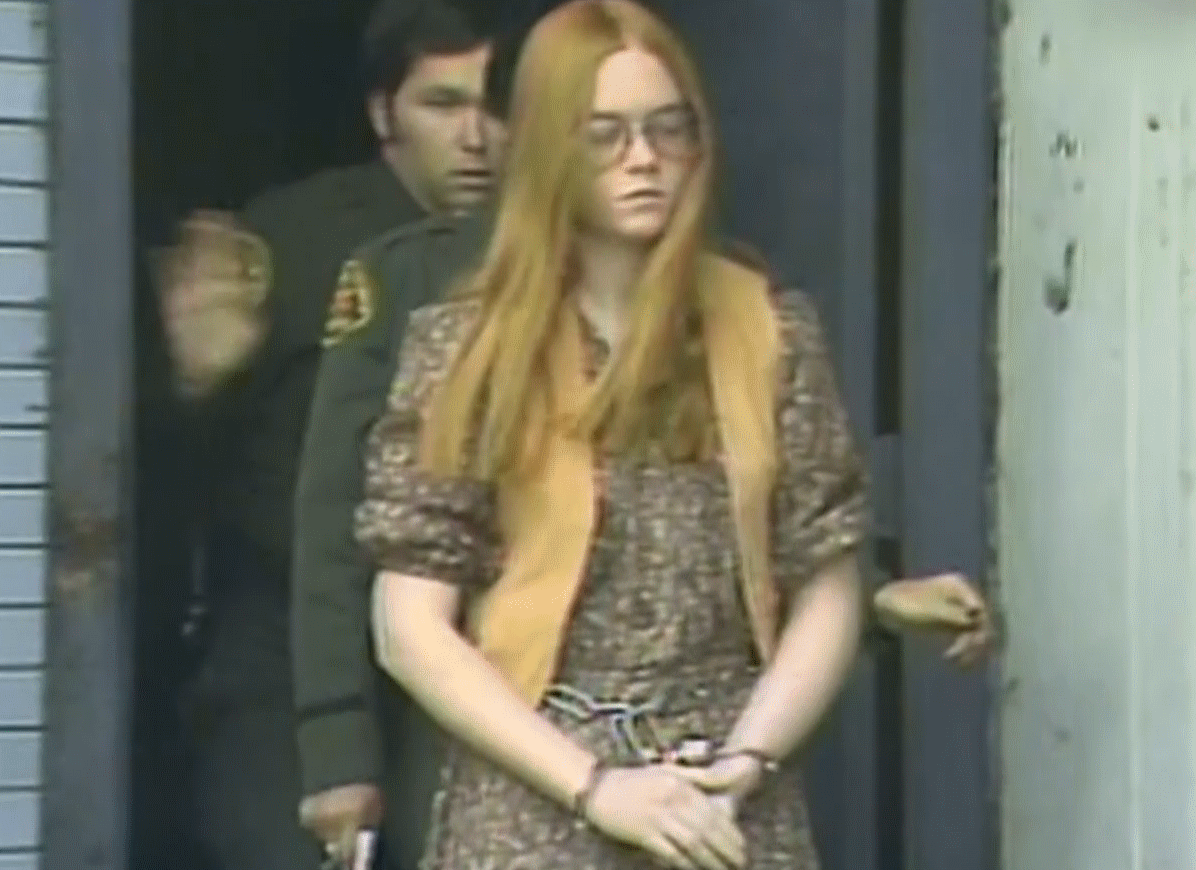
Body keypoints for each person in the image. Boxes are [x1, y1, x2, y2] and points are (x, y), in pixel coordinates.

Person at [355, 2, 864, 868]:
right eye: (605, 136)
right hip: (536, 787)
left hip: (724, 785)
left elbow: (826, 582)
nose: (644, 159)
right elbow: (410, 626)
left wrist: (746, 762)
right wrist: (596, 786)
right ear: (549, 149)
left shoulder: (767, 329)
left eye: (669, 128)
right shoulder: (469, 348)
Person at [155, 2, 503, 868]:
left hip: (468, 632)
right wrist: (192, 385)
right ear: (384, 114)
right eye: (442, 104)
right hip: (283, 632)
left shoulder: (545, 245)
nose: (475, 138)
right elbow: (169, 469)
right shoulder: (298, 239)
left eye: (494, 106)